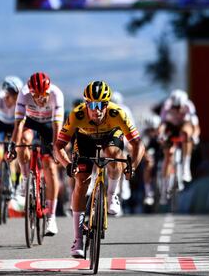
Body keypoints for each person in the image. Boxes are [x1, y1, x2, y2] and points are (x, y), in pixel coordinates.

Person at [53, 81, 145, 258]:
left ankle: (112, 195)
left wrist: (132, 165)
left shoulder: (116, 113)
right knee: (81, 181)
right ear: (86, 104)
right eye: (93, 105)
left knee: (113, 154)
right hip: (85, 139)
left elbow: (137, 143)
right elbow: (59, 145)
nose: (98, 110)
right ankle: (78, 239)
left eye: (102, 104)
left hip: (110, 135)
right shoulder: (77, 115)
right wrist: (67, 165)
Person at [7, 72, 64, 236]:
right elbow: (18, 125)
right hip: (30, 121)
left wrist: (55, 149)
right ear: (30, 93)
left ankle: (51, 217)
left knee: (50, 167)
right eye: (36, 96)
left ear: (49, 90)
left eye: (44, 95)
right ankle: (25, 180)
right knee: (23, 140)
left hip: (48, 124)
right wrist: (13, 145)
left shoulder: (56, 94)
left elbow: (57, 127)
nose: (41, 99)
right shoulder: (23, 94)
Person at [0, 76, 23, 201]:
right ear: (8, 93)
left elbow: (22, 123)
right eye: (15, 95)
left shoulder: (21, 102)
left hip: (14, 125)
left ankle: (16, 183)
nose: (17, 98)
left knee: (17, 150)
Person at [158, 89, 200, 202]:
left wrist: (195, 136)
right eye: (175, 108)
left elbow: (195, 126)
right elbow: (162, 124)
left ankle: (186, 165)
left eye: (179, 107)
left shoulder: (189, 106)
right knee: (169, 155)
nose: (177, 110)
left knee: (187, 132)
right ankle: (164, 187)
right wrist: (161, 135)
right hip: (171, 127)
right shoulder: (167, 106)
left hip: (183, 126)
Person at [141, 114, 162, 206]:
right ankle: (148, 192)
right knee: (148, 165)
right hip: (151, 152)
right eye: (150, 130)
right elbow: (142, 148)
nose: (152, 132)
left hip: (162, 152)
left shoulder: (163, 131)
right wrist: (146, 156)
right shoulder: (145, 134)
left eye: (154, 130)